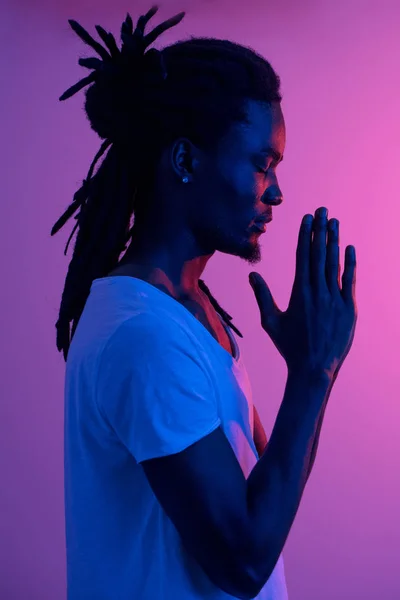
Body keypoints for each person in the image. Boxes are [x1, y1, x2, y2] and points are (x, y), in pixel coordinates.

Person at [51, 7, 358, 600]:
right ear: (187, 161)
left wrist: (308, 367)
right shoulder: (144, 337)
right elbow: (243, 561)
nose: (276, 192)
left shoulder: (192, 313)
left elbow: (263, 498)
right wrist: (313, 375)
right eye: (261, 165)